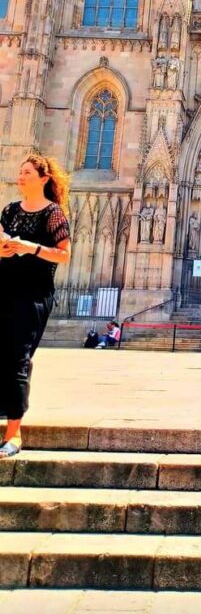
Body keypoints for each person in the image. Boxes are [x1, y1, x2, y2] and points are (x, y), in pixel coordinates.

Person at [0, 154, 71, 458]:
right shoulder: (10, 211)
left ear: (44, 179)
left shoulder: (53, 213)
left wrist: (31, 248)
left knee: (19, 357)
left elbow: (64, 254)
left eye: (27, 172)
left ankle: (14, 434)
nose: (21, 176)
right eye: (20, 171)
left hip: (34, 293)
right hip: (4, 287)